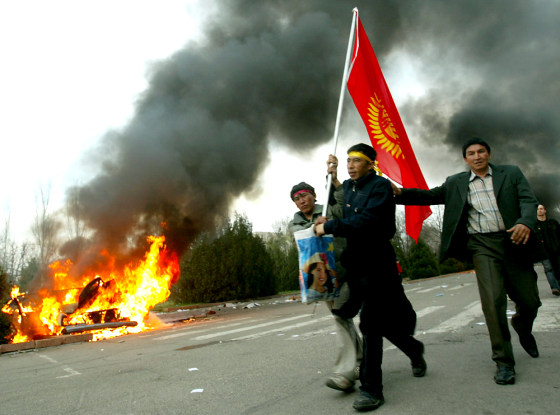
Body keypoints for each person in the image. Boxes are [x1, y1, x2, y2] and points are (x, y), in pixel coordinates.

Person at [393, 137, 541, 386]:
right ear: (465, 159)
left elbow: (528, 200)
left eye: (481, 151)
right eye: (471, 153)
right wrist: (399, 193)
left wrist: (526, 221)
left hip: (513, 242)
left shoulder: (511, 174)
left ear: (489, 154)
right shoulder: (456, 182)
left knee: (530, 301)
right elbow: (430, 196)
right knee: (493, 301)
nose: (477, 156)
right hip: (482, 246)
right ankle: (504, 362)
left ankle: (522, 325)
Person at [314, 143, 426, 412]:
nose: (351, 164)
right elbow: (342, 207)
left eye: (357, 161)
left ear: (370, 164)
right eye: (348, 160)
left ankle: (371, 389)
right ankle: (413, 349)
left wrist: (329, 227)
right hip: (355, 265)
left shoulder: (381, 188)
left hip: (378, 265)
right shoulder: (350, 188)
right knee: (356, 316)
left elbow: (365, 221)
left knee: (372, 326)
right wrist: (333, 179)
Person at [288, 180, 363, 393]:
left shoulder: (330, 209)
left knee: (341, 316)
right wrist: (315, 226)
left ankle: (345, 373)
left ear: (313, 195)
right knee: (342, 318)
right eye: (297, 199)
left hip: (343, 270)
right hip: (321, 280)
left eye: (304, 196)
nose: (302, 201)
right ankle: (359, 361)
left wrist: (336, 179)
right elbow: (300, 236)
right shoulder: (295, 222)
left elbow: (345, 205)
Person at [534, 204, 560, 296]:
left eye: (541, 209)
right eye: (538, 209)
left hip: (555, 250)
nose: (540, 211)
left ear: (545, 210)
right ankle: (555, 288)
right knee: (548, 269)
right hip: (543, 252)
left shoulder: (552, 223)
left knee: (558, 268)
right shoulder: (534, 225)